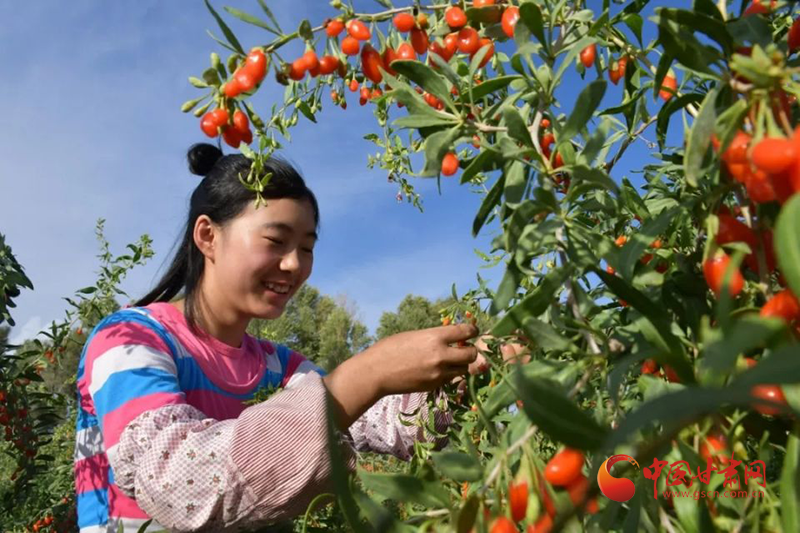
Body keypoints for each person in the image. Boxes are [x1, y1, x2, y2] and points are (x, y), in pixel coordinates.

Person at [73, 143, 487, 533]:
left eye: (306, 248)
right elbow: (179, 481)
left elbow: (383, 422)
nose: (294, 264)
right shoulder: (129, 340)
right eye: (276, 241)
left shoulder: (280, 367)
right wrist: (368, 372)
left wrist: (474, 374)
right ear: (207, 236)